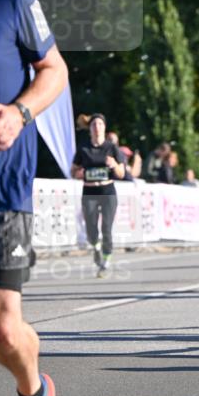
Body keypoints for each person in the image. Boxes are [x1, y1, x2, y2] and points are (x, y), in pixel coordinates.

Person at [0, 0, 68, 396]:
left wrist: (19, 112)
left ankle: (33, 391)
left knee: (1, 328)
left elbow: (54, 70)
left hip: (2, 185)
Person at [71, 114, 126, 277]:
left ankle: (106, 261)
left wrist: (115, 165)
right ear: (90, 128)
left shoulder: (111, 148)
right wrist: (78, 173)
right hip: (89, 191)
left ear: (104, 127)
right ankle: (95, 247)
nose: (97, 127)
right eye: (94, 124)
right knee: (91, 230)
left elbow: (122, 173)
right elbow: (72, 171)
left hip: (107, 190)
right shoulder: (83, 148)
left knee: (106, 227)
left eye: (101, 124)